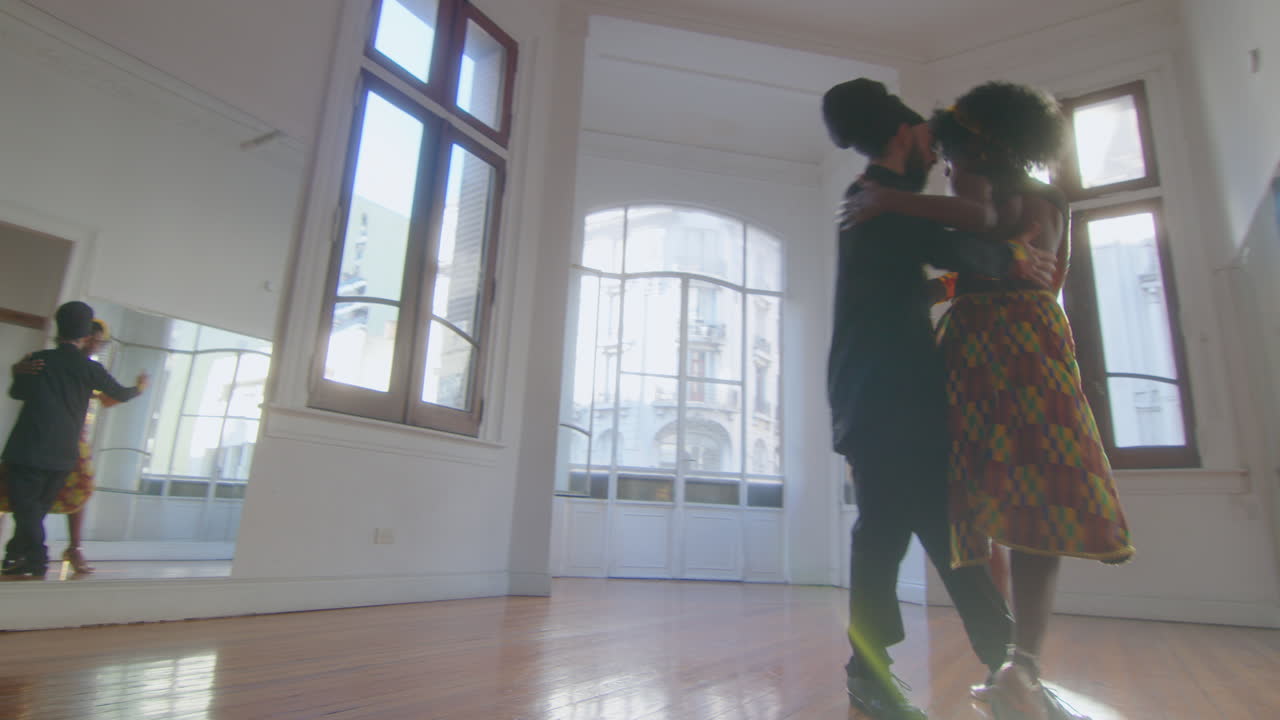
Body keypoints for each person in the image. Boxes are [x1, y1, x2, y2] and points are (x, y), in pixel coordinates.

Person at [846, 81, 1135, 720]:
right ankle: (1010, 664)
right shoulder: (1014, 208)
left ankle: (1017, 664)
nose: (947, 174)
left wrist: (889, 200)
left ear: (977, 155)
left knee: (1024, 508)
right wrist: (932, 290)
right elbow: (983, 258)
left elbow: (988, 234)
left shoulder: (1028, 204)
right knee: (979, 509)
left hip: (1016, 358)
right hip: (980, 355)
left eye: (953, 161)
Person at [821, 78, 1058, 720]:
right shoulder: (877, 200)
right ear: (902, 134)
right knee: (896, 531)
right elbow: (959, 245)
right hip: (882, 394)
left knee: (926, 527)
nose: (938, 152)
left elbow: (928, 269)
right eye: (930, 139)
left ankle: (999, 667)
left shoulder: (884, 204)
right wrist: (1013, 257)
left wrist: (1001, 260)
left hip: (890, 391)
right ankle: (976, 668)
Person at [1, 302, 147, 579]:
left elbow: (17, 392)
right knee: (34, 511)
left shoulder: (38, 360)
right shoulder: (90, 369)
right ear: (85, 334)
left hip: (28, 449)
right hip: (64, 454)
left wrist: (16, 372)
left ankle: (35, 559)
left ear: (59, 328)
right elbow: (121, 394)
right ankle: (15, 556)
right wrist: (140, 388)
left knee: (26, 510)